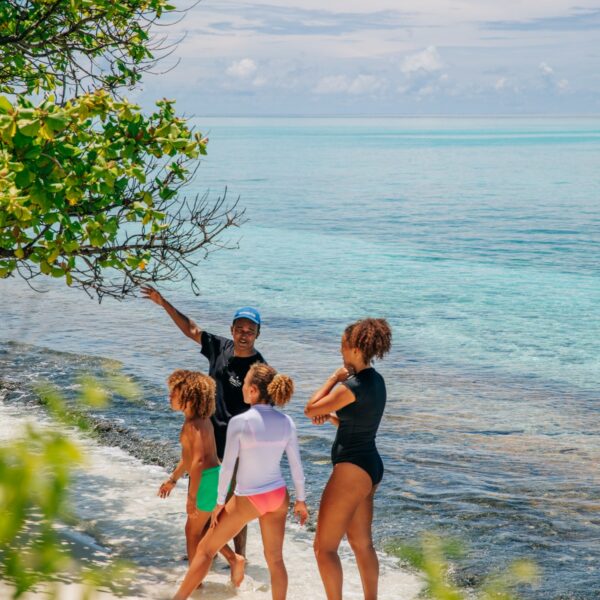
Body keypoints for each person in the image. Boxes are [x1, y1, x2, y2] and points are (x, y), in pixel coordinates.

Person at [141, 285, 266, 556]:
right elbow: (192, 329)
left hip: (239, 445)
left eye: (250, 330)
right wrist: (164, 304)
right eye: (240, 329)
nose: (245, 335)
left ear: (257, 333)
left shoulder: (260, 368)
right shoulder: (220, 347)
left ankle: (238, 555)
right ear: (232, 329)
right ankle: (205, 552)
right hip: (209, 436)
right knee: (207, 499)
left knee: (233, 505)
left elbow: (265, 410)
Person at [172, 363, 309, 600]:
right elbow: (296, 466)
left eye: (245, 383)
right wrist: (301, 500)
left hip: (249, 497)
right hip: (278, 495)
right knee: (275, 559)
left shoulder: (241, 421)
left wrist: (218, 504)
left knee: (205, 549)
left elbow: (227, 468)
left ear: (254, 390)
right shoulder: (287, 421)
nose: (242, 387)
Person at [304, 318, 392, 600]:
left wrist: (333, 379)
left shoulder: (351, 385)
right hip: (371, 467)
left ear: (354, 348)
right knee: (361, 543)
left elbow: (309, 408)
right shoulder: (376, 381)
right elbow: (356, 423)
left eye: (342, 347)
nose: (341, 353)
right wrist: (331, 417)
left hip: (352, 470)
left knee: (324, 547)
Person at [157, 369, 245, 586]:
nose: (170, 397)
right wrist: (173, 479)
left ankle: (196, 582)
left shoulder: (191, 426)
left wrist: (191, 497)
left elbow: (196, 462)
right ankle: (233, 559)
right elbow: (188, 459)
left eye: (174, 394)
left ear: (189, 397)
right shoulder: (204, 421)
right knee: (206, 529)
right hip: (215, 476)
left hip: (204, 481)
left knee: (192, 532)